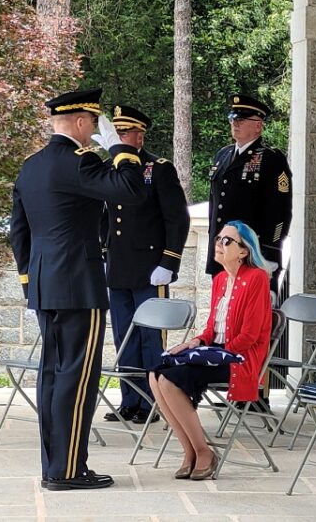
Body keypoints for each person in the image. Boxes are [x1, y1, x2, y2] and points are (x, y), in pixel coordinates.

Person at [9, 88, 144, 491]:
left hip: (45, 283)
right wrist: (121, 149)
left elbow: (19, 231)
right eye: (95, 123)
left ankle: (56, 465)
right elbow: (131, 190)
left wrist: (29, 279)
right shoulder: (79, 163)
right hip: (79, 285)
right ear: (83, 123)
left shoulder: (32, 166)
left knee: (53, 374)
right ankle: (68, 470)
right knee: (77, 377)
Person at [149, 220, 272, 480]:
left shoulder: (257, 279)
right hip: (215, 354)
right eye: (218, 239)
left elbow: (249, 336)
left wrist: (215, 353)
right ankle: (190, 450)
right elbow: (210, 331)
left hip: (239, 358)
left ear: (244, 251)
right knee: (155, 374)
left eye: (227, 241)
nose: (219, 244)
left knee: (171, 381)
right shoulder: (219, 280)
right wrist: (194, 343)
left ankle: (203, 451)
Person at [101, 105, 190, 425]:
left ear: (139, 136)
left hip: (151, 268)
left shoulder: (158, 168)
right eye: (118, 133)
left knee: (150, 338)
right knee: (124, 336)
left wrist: (169, 260)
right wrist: (102, 252)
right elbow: (105, 217)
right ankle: (130, 400)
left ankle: (153, 400)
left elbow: (176, 218)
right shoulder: (111, 167)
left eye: (125, 133)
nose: (121, 138)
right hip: (120, 267)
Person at [206, 94, 292, 294]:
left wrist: (269, 252)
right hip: (223, 254)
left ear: (258, 125)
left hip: (253, 255)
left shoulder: (270, 159)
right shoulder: (222, 155)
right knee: (222, 317)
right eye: (233, 118)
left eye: (241, 119)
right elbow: (215, 206)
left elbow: (280, 212)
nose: (235, 123)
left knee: (252, 319)